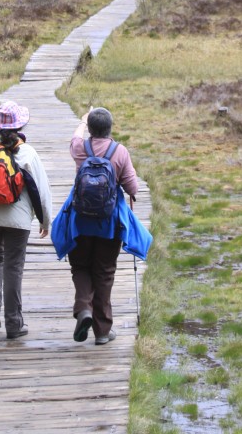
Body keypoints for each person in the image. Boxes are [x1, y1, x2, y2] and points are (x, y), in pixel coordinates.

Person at [0, 100, 52, 340]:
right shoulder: (27, 152)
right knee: (13, 266)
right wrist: (46, 221)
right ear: (20, 125)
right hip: (19, 219)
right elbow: (41, 191)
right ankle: (14, 324)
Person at [61, 106, 141, 345]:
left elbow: (75, 137)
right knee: (104, 273)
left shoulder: (79, 148)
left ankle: (84, 308)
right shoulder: (120, 152)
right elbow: (133, 188)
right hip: (109, 223)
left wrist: (83, 121)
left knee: (81, 267)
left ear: (91, 129)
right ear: (110, 128)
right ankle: (103, 331)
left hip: (79, 221)